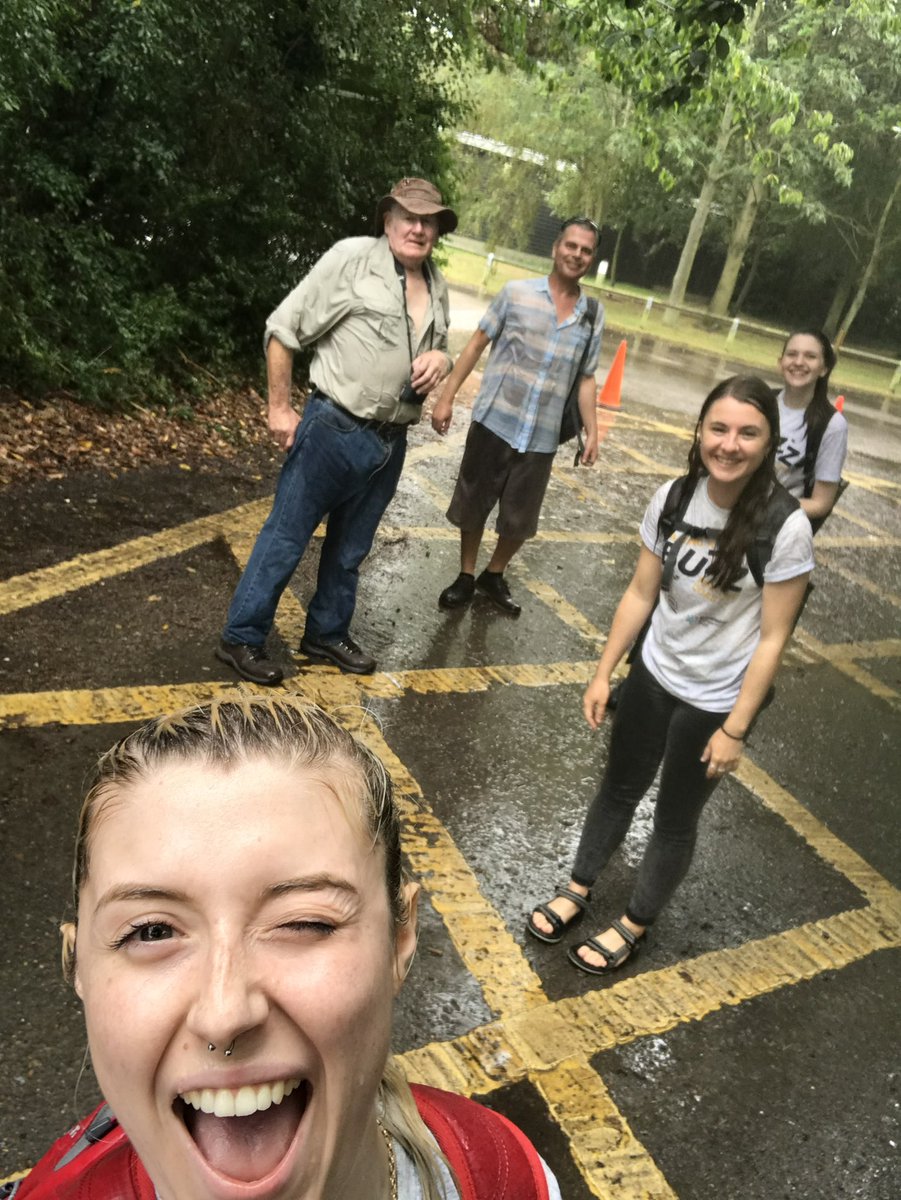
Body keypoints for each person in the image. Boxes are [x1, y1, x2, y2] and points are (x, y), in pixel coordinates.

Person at [15, 696, 562, 1200]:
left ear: (400, 939)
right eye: (151, 931)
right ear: (79, 963)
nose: (224, 1014)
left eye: (304, 923)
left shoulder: (510, 1175)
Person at [527, 376, 814, 974]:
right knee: (617, 788)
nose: (729, 444)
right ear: (700, 430)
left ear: (768, 443)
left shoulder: (785, 527)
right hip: (654, 676)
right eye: (719, 428)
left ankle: (635, 922)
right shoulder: (676, 498)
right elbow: (640, 592)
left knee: (675, 818)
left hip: (715, 700)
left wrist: (735, 729)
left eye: (748, 433)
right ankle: (579, 887)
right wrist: (603, 673)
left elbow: (773, 638)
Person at [217, 178, 456, 685]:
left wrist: (443, 358)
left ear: (437, 230)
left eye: (428, 220)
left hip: (391, 441)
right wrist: (279, 409)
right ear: (387, 220)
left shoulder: (436, 283)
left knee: (351, 549)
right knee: (286, 537)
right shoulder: (352, 259)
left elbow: (438, 349)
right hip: (333, 428)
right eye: (408, 217)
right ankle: (241, 636)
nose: (418, 228)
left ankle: (326, 632)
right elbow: (282, 328)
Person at [431, 217, 605, 618]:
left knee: (520, 518)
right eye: (571, 245)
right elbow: (476, 344)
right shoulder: (516, 294)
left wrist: (593, 431)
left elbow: (586, 377)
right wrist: (446, 397)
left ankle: (494, 574)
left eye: (586, 250)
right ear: (555, 248)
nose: (577, 254)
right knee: (474, 502)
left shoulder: (592, 315)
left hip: (542, 435)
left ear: (592, 258)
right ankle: (466, 574)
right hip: (495, 421)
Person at [775, 328, 848, 526]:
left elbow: (820, 503)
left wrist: (767, 508)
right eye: (792, 354)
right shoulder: (761, 402)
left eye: (810, 356)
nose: (799, 362)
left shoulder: (832, 425)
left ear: (824, 369)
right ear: (780, 362)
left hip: (775, 526)